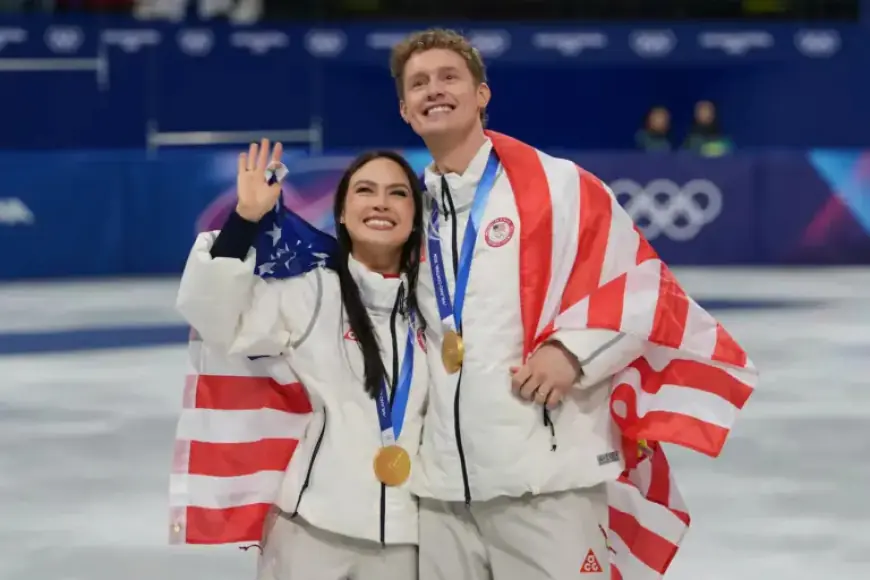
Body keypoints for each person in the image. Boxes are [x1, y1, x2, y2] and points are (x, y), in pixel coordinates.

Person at [388, 29, 758, 580]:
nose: (434, 91)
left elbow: (641, 285)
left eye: (449, 78)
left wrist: (574, 352)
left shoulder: (558, 186)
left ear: (482, 94)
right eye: (419, 83)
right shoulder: (406, 211)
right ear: (404, 109)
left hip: (546, 484)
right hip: (441, 494)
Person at [175, 140, 428, 580]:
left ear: (415, 217)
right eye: (365, 191)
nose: (381, 203)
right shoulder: (314, 292)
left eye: (398, 193)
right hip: (313, 534)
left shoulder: (439, 307)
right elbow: (216, 316)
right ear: (342, 215)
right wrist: (244, 221)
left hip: (416, 539)